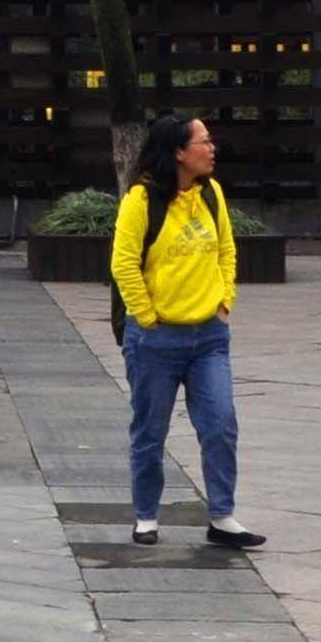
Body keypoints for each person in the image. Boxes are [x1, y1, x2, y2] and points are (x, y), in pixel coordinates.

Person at [110, 114, 260, 550]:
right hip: (156, 339)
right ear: (178, 151)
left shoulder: (211, 193)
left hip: (209, 335)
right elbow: (123, 263)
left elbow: (227, 249)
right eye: (204, 142)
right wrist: (147, 316)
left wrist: (224, 300)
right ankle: (145, 516)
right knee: (150, 431)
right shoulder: (141, 199)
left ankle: (222, 515)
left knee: (220, 424)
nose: (212, 149)